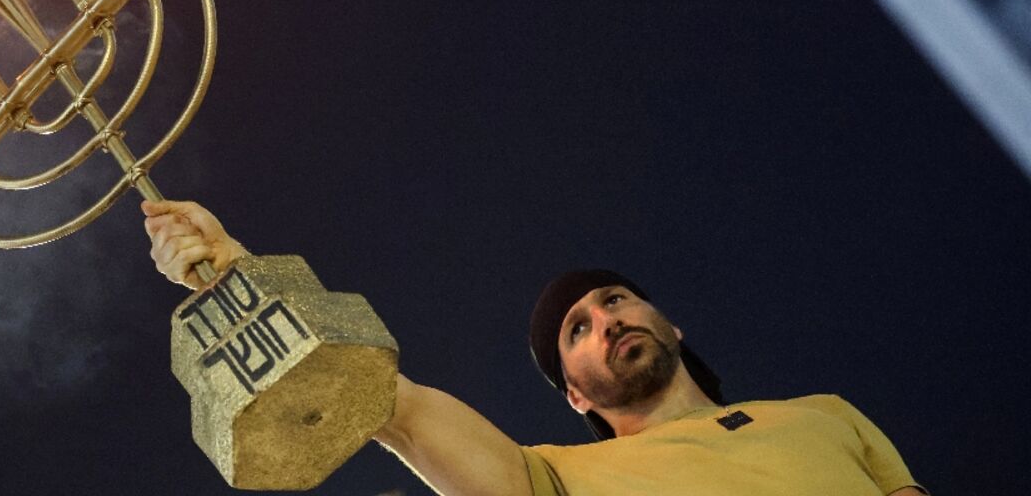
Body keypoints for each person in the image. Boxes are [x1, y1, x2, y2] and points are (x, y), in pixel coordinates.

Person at [143, 200, 927, 496]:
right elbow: (385, 403)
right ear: (575, 394)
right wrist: (238, 273)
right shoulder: (555, 481)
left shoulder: (826, 414)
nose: (605, 321)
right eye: (575, 330)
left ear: (671, 323)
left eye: (613, 300)